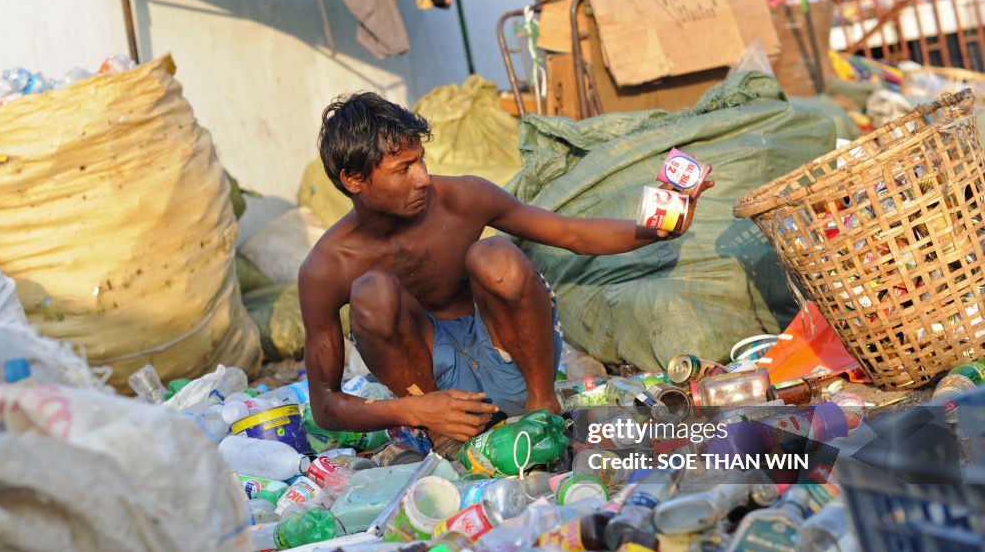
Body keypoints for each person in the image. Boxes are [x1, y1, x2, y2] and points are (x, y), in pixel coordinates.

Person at [298, 92, 713, 448]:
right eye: (403, 169)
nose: (423, 178)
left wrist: (657, 230)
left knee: (493, 253)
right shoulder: (326, 267)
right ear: (353, 179)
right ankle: (447, 438)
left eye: (421, 160)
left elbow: (573, 234)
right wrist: (416, 410)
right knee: (371, 292)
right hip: (438, 395)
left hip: (510, 362)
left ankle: (542, 405)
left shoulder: (463, 198)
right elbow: (326, 405)